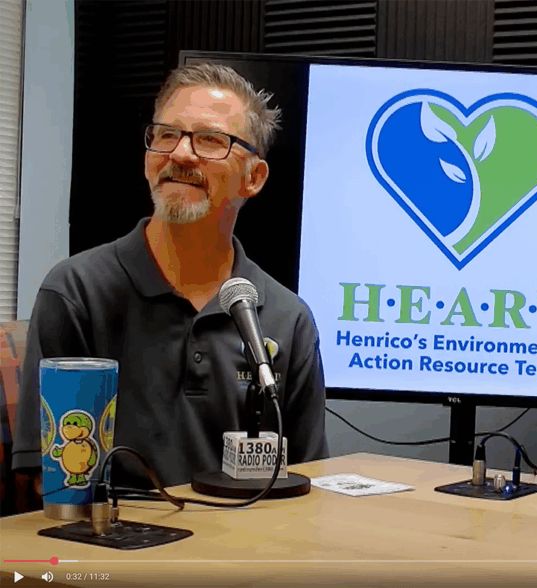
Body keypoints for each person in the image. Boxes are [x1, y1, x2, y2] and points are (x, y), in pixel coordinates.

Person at [12, 63, 329, 505]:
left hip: (243, 560)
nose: (180, 154)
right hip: (112, 551)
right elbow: (49, 481)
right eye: (166, 134)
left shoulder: (287, 319)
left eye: (210, 140)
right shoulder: (77, 292)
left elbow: (304, 481)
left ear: (253, 178)